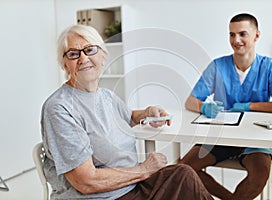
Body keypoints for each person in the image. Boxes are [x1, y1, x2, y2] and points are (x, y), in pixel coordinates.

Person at [40, 24, 213, 200]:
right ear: (65, 65)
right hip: (103, 197)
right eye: (73, 54)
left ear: (103, 56)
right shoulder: (59, 108)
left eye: (89, 50)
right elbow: (86, 182)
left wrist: (147, 113)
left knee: (183, 174)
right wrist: (144, 169)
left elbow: (128, 116)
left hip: (131, 185)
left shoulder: (105, 95)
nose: (83, 58)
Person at [180, 13, 272, 200]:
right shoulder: (218, 66)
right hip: (222, 136)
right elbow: (190, 100)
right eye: (231, 34)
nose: (236, 40)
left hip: (255, 138)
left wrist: (250, 106)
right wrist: (204, 107)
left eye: (242, 34)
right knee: (184, 167)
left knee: (260, 175)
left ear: (256, 36)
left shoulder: (270, 67)